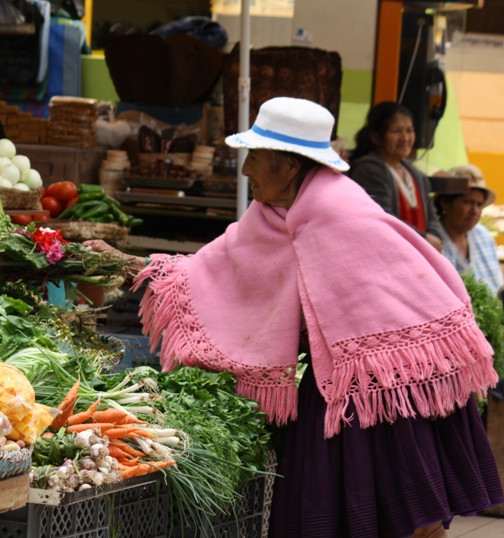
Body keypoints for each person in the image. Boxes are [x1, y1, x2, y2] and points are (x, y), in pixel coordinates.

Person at [85, 97, 502, 537]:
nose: (246, 171)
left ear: (288, 166)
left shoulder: (340, 210)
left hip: (388, 383)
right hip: (336, 380)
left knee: (412, 519)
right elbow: (212, 272)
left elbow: (395, 293)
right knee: (330, 511)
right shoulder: (273, 212)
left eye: (256, 159)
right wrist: (124, 263)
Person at [348, 101, 443, 252]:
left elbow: (432, 217)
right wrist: (423, 240)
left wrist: (435, 238)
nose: (405, 138)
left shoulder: (416, 175)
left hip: (417, 257)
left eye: (409, 130)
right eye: (396, 131)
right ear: (376, 137)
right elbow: (383, 217)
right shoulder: (368, 170)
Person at [434, 163, 502, 295]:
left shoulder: (484, 236)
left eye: (479, 204)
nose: (474, 211)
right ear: (445, 203)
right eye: (468, 202)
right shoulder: (433, 241)